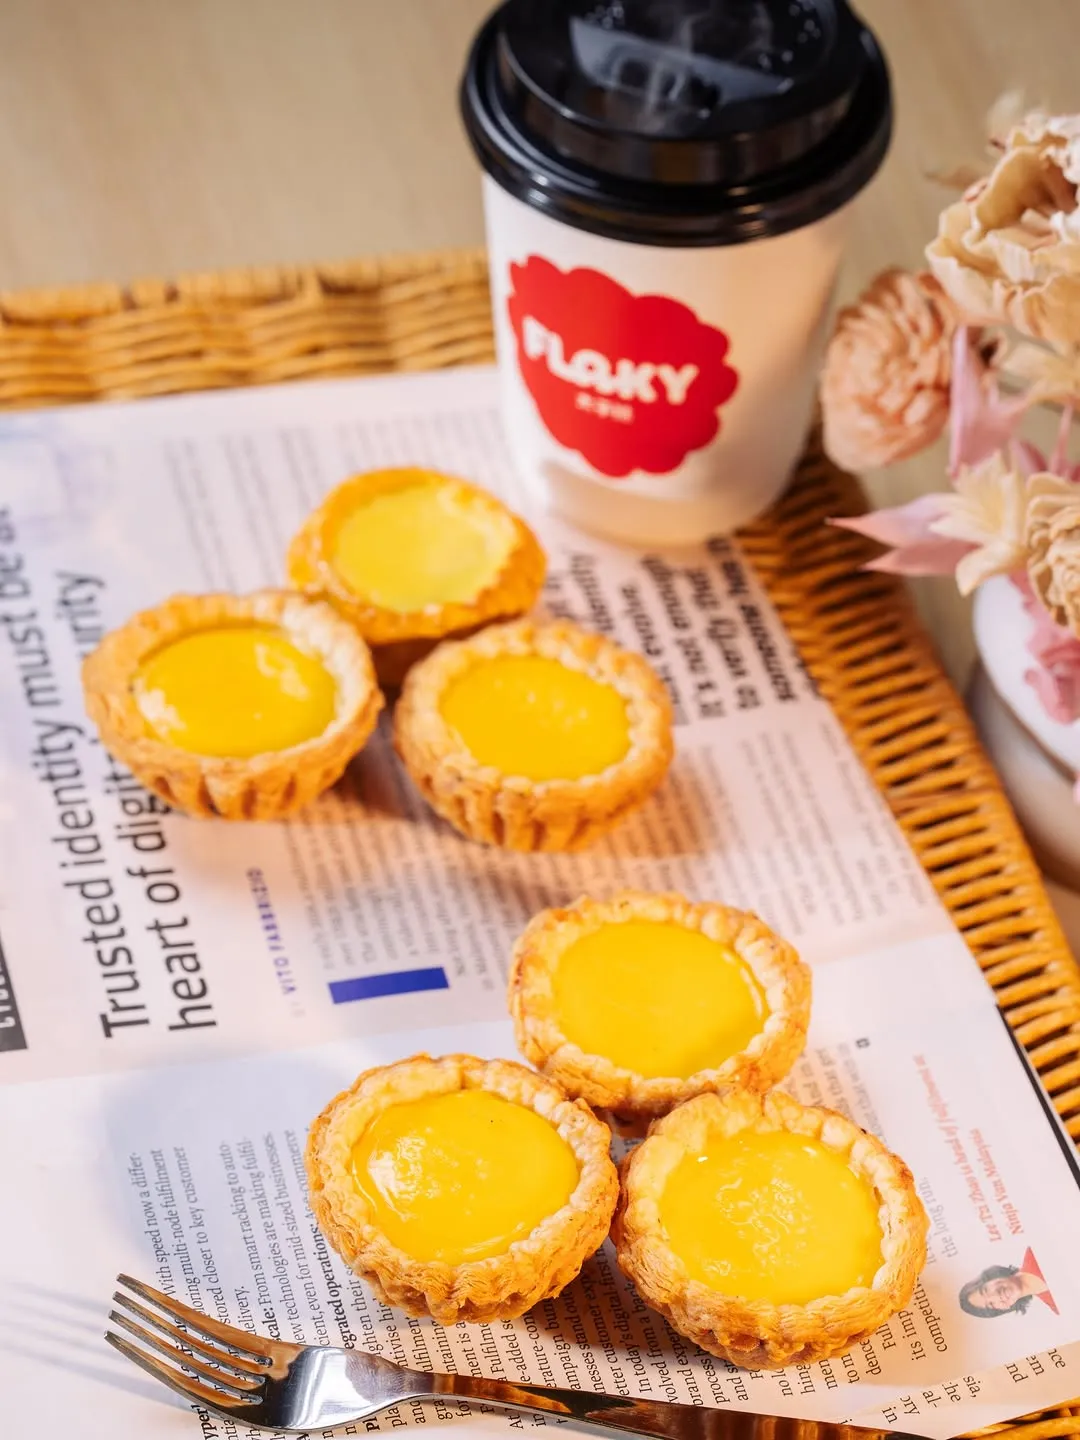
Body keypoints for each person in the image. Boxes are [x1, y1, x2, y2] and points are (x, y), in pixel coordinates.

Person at [958, 1248, 1058, 1318]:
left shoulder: (1035, 1252)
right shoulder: (1056, 1306)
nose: (996, 1296)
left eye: (986, 1291)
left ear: (991, 1276)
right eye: (991, 1304)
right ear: (1005, 1308)